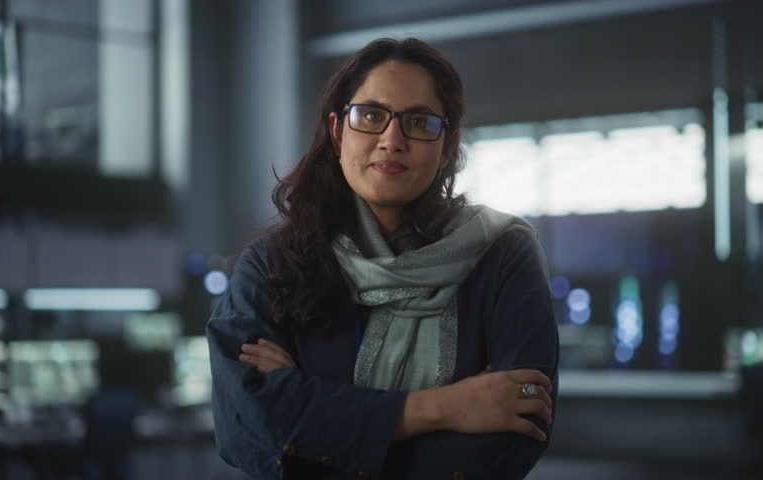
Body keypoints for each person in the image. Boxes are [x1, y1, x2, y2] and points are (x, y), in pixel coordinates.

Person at [207, 37, 559, 479]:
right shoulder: (272, 264)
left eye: (418, 121)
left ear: (446, 145)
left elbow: (522, 416)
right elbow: (249, 427)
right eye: (371, 116)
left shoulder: (503, 254)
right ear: (338, 132)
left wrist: (312, 409)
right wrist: (445, 407)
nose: (392, 140)